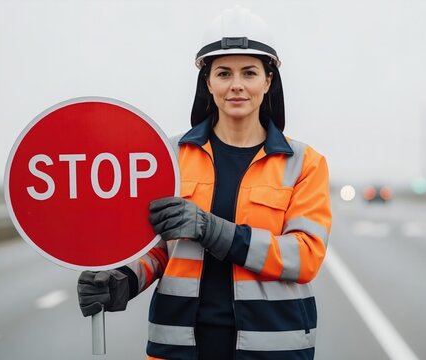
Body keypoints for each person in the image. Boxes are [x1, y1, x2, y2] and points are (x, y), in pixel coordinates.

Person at [77, 6, 331, 360]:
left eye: (249, 72)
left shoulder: (304, 163)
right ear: (207, 82)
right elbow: (159, 249)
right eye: (224, 73)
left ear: (268, 80)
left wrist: (212, 230)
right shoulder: (169, 156)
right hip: (181, 347)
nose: (237, 85)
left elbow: (303, 257)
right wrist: (123, 280)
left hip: (273, 347)